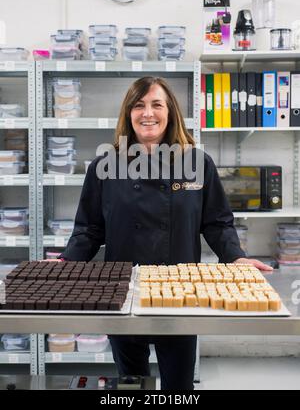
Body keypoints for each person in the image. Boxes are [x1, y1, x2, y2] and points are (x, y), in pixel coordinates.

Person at [61, 76, 272, 390]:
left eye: (156, 104)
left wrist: (235, 257)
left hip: (181, 293)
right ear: (128, 114)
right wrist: (67, 262)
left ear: (170, 112)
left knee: (180, 387)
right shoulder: (103, 166)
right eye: (139, 105)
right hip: (124, 292)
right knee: (131, 385)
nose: (148, 113)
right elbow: (89, 229)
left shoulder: (198, 163)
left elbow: (217, 223)